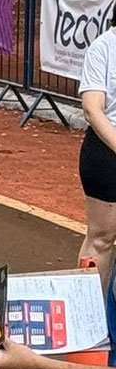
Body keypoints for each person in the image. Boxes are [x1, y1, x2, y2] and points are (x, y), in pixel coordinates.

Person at [78, 16, 116, 282]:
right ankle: (86, 316)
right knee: (102, 238)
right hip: (106, 152)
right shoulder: (103, 47)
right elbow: (92, 109)